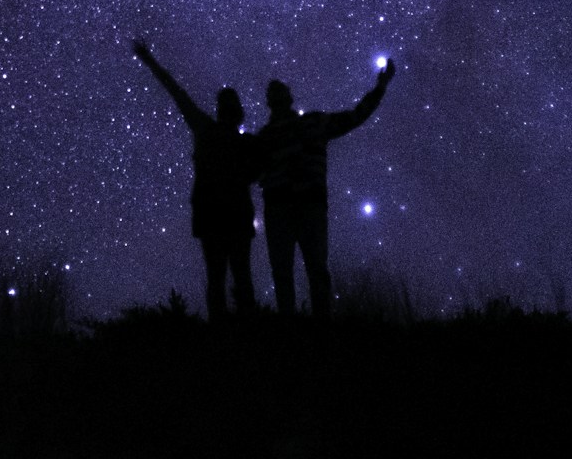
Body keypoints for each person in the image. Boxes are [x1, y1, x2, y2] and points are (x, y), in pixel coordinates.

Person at [256, 57, 397, 318]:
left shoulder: (311, 123)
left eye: (279, 91)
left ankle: (319, 330)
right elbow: (250, 170)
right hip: (283, 209)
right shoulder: (264, 138)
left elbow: (355, 116)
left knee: (313, 269)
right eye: (272, 92)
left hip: (306, 206)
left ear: (288, 97)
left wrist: (380, 87)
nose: (276, 95)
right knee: (287, 271)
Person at [132, 40, 263, 319]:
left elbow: (177, 93)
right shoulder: (241, 142)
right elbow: (258, 172)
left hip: (215, 215)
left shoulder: (209, 131)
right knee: (238, 277)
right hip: (230, 216)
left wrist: (150, 61)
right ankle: (248, 337)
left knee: (222, 278)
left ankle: (224, 334)